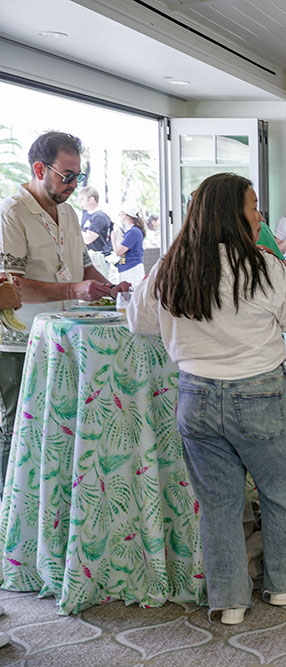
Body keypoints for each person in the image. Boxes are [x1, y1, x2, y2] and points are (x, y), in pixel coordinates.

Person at [127, 173, 286, 625]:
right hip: (259, 391)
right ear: (232, 214)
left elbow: (139, 320)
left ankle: (229, 599)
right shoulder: (264, 265)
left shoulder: (172, 266)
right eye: (253, 207)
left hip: (195, 395)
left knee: (217, 502)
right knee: (279, 491)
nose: (259, 216)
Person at [0, 131, 129, 500]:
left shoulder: (70, 213)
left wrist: (111, 288)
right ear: (40, 169)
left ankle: (50, 505)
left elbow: (84, 268)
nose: (74, 184)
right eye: (67, 175)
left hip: (66, 337)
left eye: (78, 176)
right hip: (21, 342)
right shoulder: (12, 213)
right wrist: (73, 291)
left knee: (61, 426)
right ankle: (11, 510)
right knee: (18, 428)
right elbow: (13, 287)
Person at [79, 185, 114, 276]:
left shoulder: (100, 217)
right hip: (89, 258)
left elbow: (88, 239)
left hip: (99, 259)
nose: (80, 201)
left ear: (91, 199)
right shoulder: (86, 215)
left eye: (82, 199)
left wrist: (75, 229)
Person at [112, 204, 146, 285]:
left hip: (131, 270)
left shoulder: (133, 232)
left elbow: (119, 252)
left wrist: (113, 239)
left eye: (120, 214)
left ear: (125, 215)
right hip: (129, 269)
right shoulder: (132, 231)